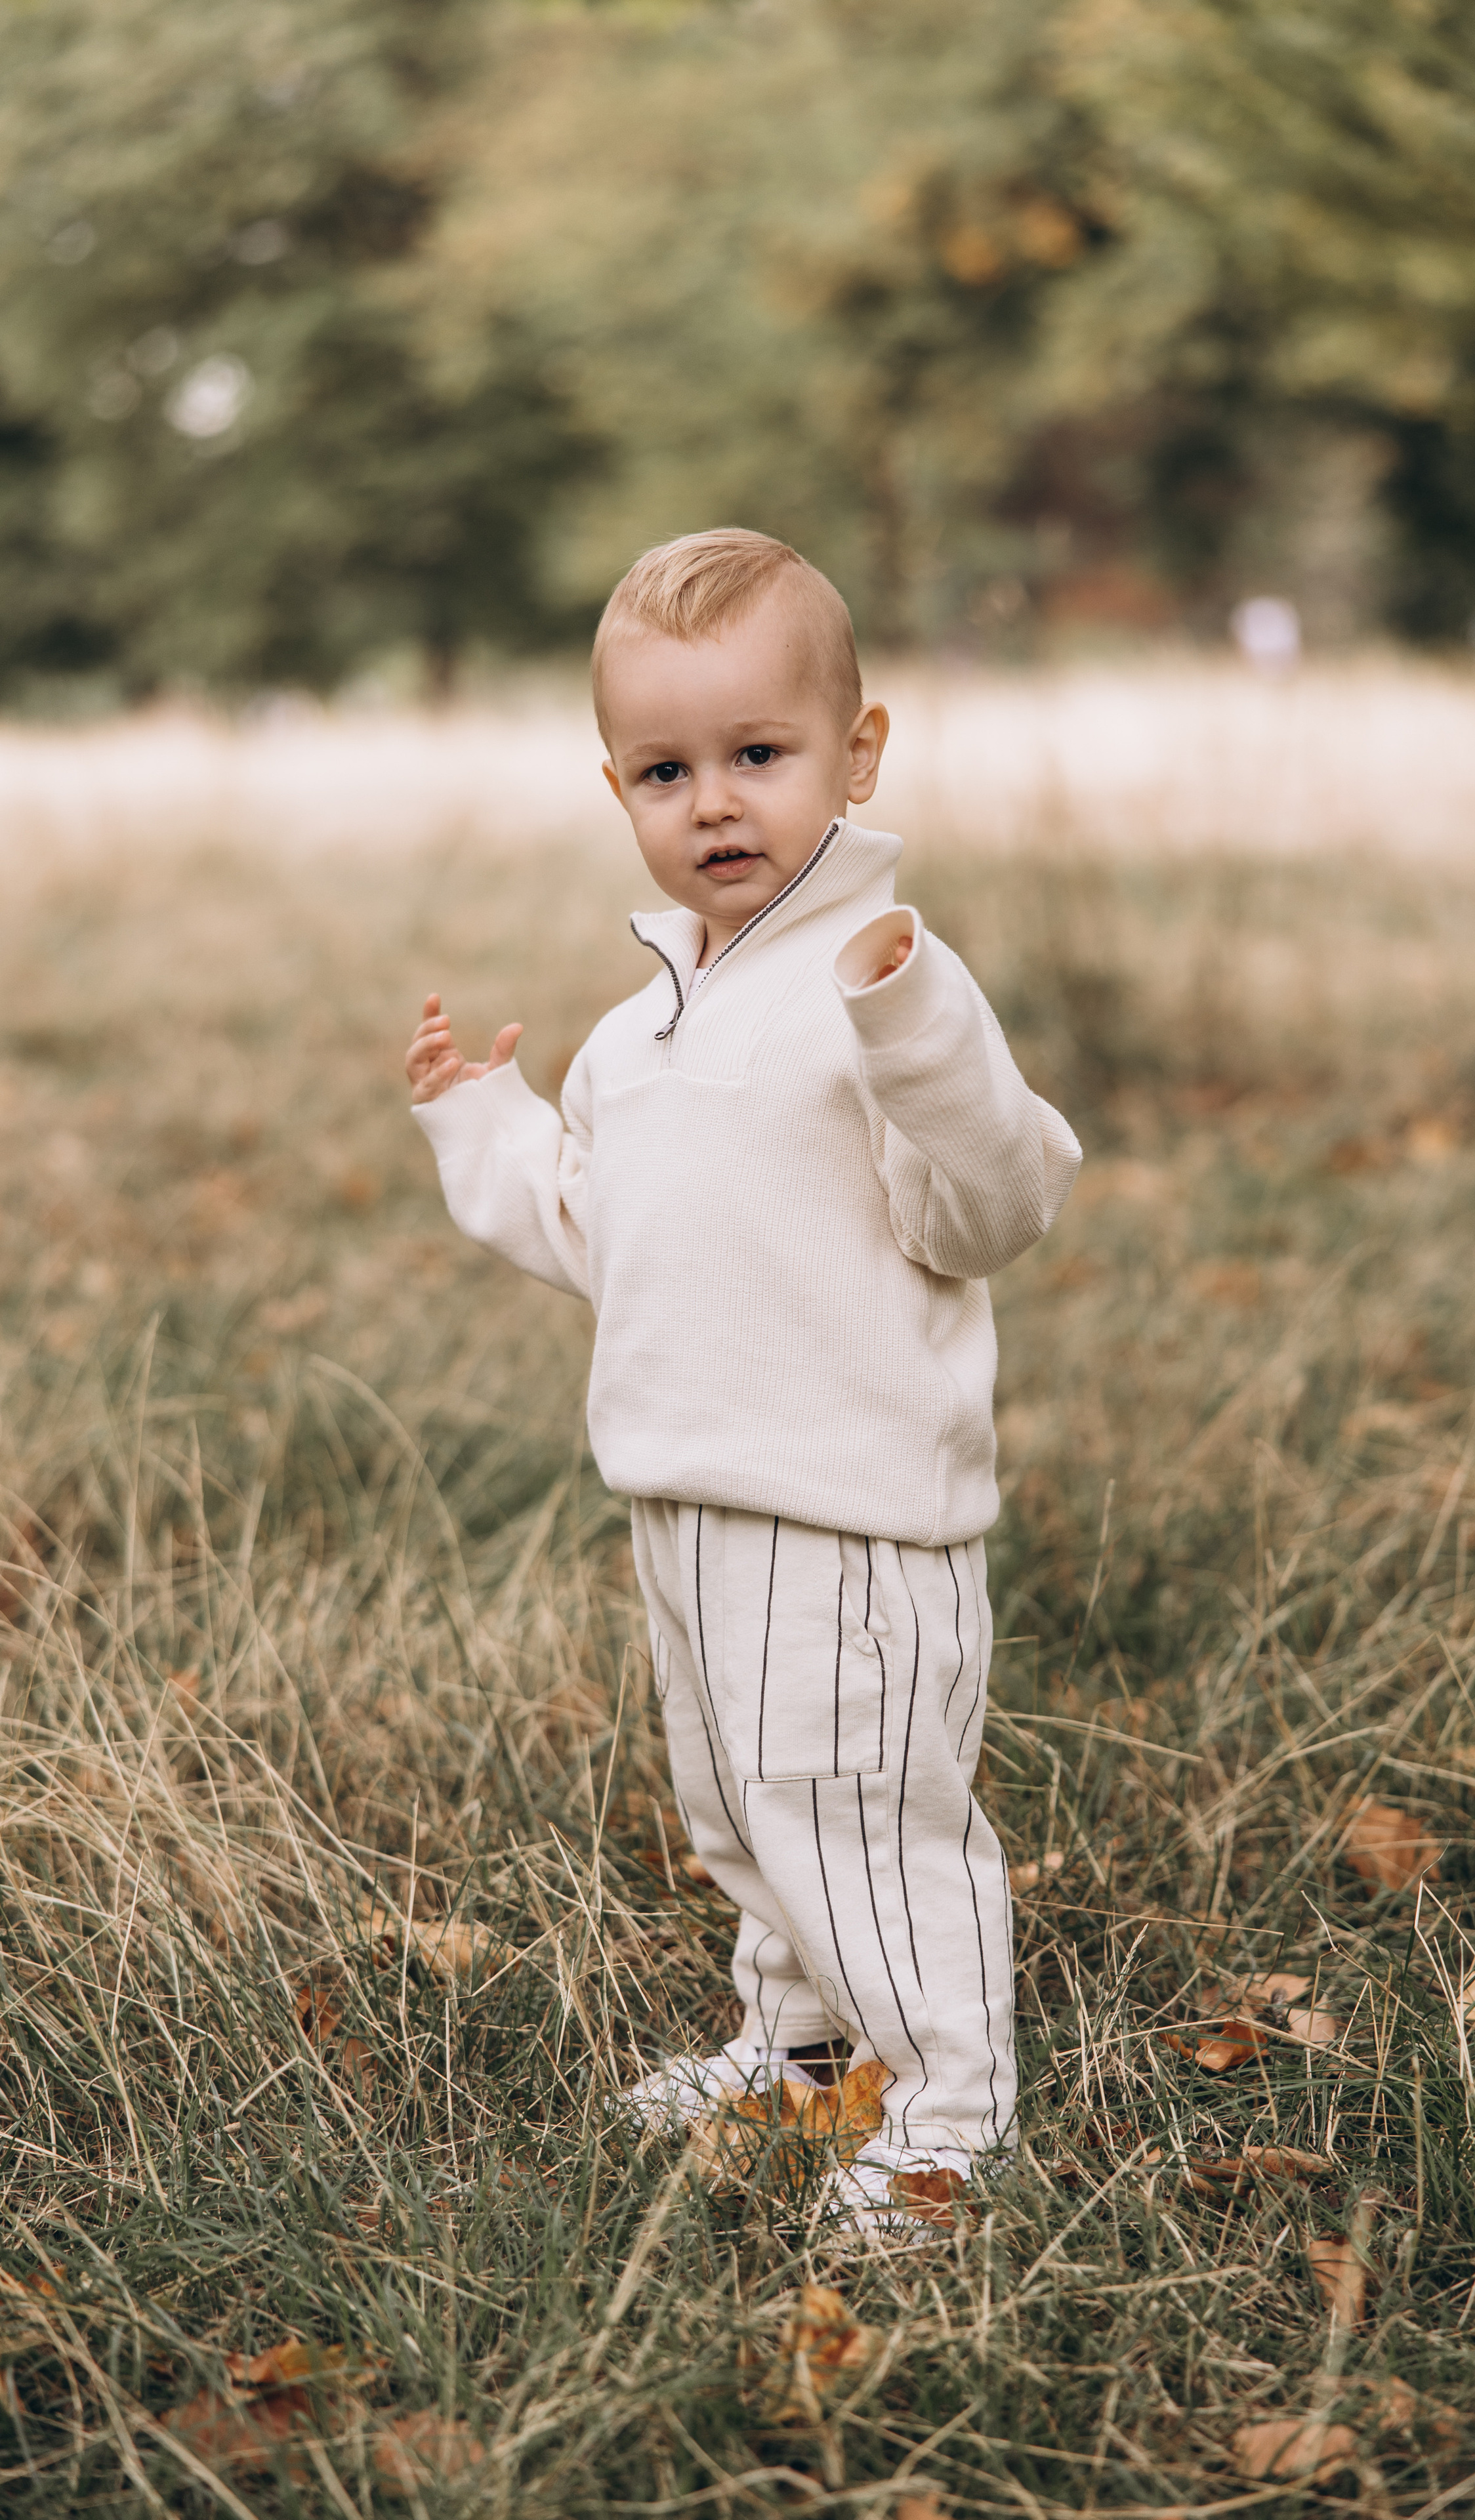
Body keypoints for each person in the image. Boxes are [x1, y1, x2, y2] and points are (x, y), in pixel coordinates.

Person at [405, 528, 1081, 2233]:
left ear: (856, 756)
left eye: (758, 757)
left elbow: (998, 1202)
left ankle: (948, 2109)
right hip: (685, 1490)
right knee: (742, 1808)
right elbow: (604, 1233)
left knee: (856, 1809)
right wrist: (483, 1128)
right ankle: (800, 2046)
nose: (714, 802)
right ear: (617, 784)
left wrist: (918, 1038)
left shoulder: (882, 990)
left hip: (847, 1509)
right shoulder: (638, 1033)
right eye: (666, 769)